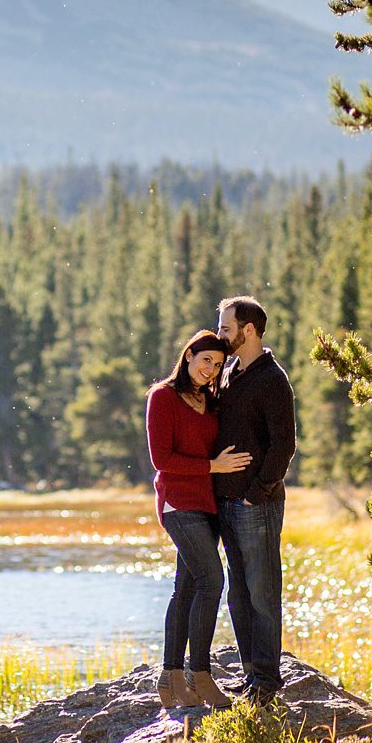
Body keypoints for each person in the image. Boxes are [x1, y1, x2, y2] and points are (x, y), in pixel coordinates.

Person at [148, 329, 252, 710]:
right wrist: (213, 466)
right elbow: (162, 460)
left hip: (207, 505)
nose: (211, 369)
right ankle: (200, 673)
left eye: (218, 365)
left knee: (186, 588)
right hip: (178, 503)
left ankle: (170, 677)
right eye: (206, 360)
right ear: (189, 355)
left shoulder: (210, 401)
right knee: (213, 580)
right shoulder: (163, 397)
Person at [211, 295, 297, 705]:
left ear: (249, 330)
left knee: (262, 593)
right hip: (226, 503)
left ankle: (266, 681)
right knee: (239, 595)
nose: (220, 335)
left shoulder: (272, 379)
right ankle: (250, 676)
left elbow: (285, 444)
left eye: (226, 328)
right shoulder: (229, 372)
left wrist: (256, 493)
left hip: (255, 505)